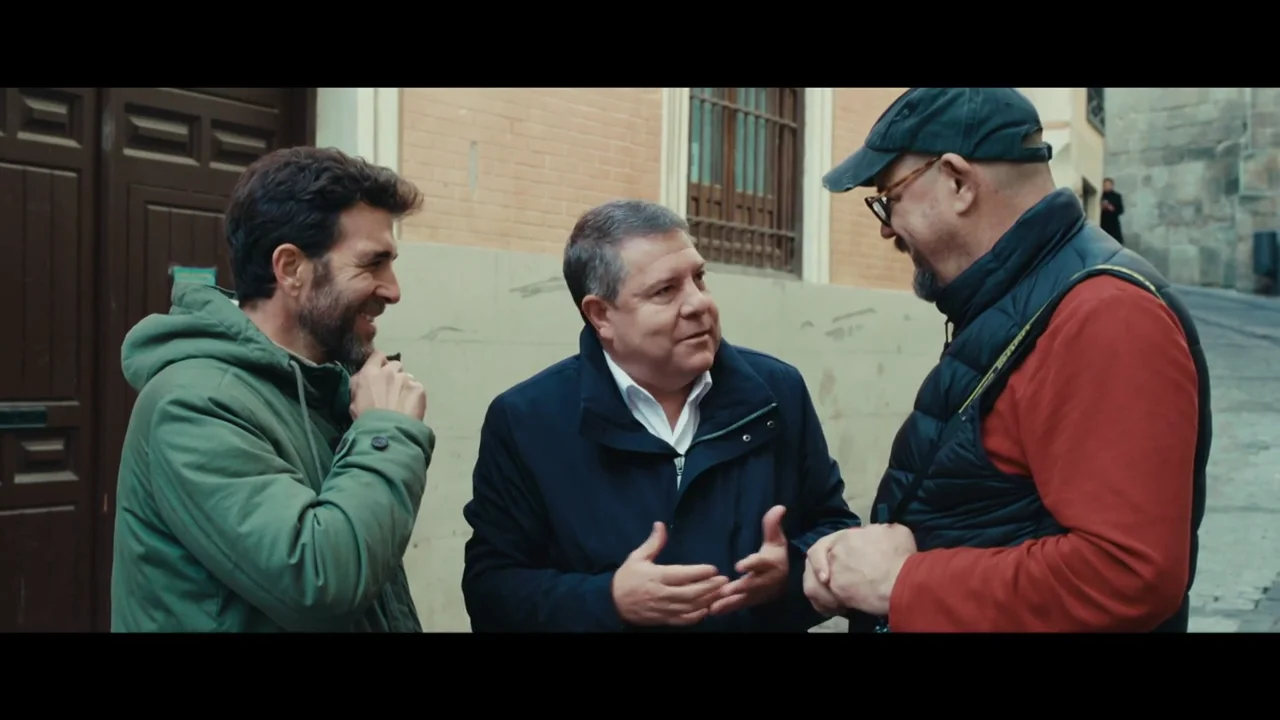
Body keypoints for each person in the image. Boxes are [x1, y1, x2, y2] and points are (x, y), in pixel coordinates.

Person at [804, 88, 1211, 633]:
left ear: (957, 181)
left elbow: (1127, 573)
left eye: (888, 197)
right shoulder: (1028, 295)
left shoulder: (1104, 313)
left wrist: (903, 582)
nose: (885, 226)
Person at [461, 199, 862, 632]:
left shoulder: (776, 392)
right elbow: (492, 592)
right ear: (601, 315)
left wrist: (791, 571)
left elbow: (836, 527)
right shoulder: (526, 421)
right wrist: (610, 600)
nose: (698, 304)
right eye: (665, 291)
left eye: (699, 278)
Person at [111, 146, 436, 632]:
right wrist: (385, 434)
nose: (393, 289)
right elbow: (319, 581)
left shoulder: (328, 385)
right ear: (290, 269)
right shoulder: (193, 404)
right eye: (373, 263)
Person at [1101, 177, 1125, 244]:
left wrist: (1110, 208)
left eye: (1108, 185)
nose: (1106, 187)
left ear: (1112, 186)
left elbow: (1121, 210)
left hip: (1113, 226)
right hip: (1103, 224)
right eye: (1104, 185)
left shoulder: (1117, 196)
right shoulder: (1101, 195)